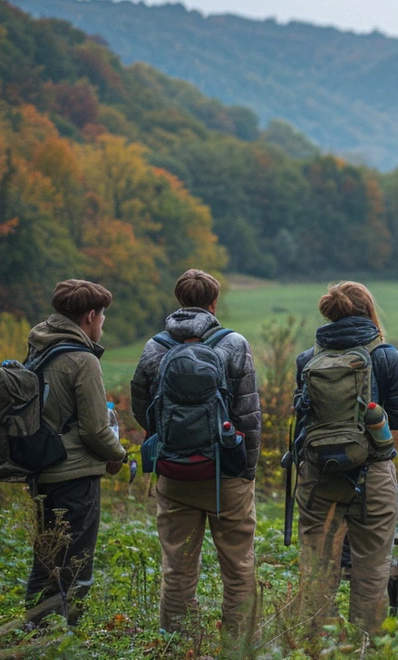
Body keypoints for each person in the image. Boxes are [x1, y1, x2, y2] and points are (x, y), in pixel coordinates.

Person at [130, 269, 262, 640]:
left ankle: (178, 644)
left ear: (178, 301)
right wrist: (245, 471)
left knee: (178, 568)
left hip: (174, 474)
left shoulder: (155, 347)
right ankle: (237, 646)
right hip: (226, 475)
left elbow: (143, 410)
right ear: (214, 303)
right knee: (238, 567)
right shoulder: (234, 343)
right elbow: (249, 415)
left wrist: (170, 441)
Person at [293, 281, 398, 635]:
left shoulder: (307, 359)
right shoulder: (385, 355)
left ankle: (319, 648)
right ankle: (367, 646)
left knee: (318, 570)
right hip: (372, 474)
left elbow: (303, 419)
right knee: (372, 570)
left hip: (318, 477)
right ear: (368, 312)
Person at [25, 279, 127, 623]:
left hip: (42, 472)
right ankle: (67, 636)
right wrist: (120, 454)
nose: (102, 324)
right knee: (75, 565)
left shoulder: (39, 347)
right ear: (90, 315)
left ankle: (33, 630)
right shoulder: (83, 360)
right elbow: (96, 431)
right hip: (76, 478)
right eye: (102, 318)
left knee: (46, 558)